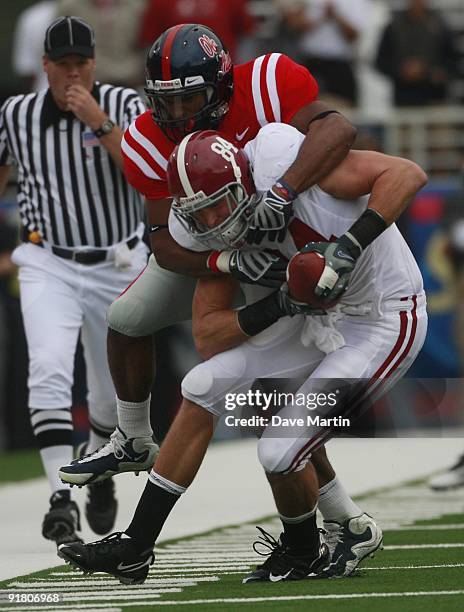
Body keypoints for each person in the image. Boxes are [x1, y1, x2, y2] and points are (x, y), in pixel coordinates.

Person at [58, 23, 370, 569]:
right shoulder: (145, 140)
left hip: (278, 245)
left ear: (223, 86)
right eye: (166, 103)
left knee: (264, 392)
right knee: (128, 315)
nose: (177, 116)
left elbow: (338, 130)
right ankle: (132, 435)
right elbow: (162, 241)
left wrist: (283, 190)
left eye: (191, 98)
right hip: (214, 248)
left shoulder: (269, 83)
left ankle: (340, 519)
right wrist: (222, 260)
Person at [58, 125, 427, 584]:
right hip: (314, 319)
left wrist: (350, 245)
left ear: (243, 183)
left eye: (216, 205)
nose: (213, 222)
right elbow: (208, 337)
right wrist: (275, 301)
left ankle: (303, 548)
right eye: (199, 214)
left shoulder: (289, 170)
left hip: (382, 317)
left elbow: (407, 174)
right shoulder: (215, 232)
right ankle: (135, 546)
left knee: (278, 451)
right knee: (202, 384)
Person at [0, 15, 149, 546]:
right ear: (44, 65)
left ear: (92, 63)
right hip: (48, 260)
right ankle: (59, 500)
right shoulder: (14, 115)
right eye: (61, 64)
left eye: (80, 63)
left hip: (117, 261)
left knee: (109, 400)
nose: (71, 74)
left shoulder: (126, 104)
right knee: (47, 369)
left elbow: (144, 172)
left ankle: (99, 471)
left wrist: (98, 122)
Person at [275, 0, 368, 106]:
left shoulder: (355, 2)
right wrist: (322, 17)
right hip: (310, 61)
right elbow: (294, 25)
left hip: (339, 63)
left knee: (345, 106)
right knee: (306, 106)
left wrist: (335, 15)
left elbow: (354, 35)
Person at [375, 0, 458, 107]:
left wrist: (435, 72)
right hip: (404, 98)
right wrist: (401, 70)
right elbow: (380, 61)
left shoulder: (440, 25)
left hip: (434, 96)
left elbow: (453, 61)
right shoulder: (394, 26)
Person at [57, 0, 147, 88]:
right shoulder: (69, 7)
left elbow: (149, 46)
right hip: (88, 82)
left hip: (132, 80)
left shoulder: (139, 5)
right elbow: (60, 49)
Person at [138, 0, 255, 61]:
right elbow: (151, 41)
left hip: (223, 69)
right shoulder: (160, 3)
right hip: (175, 74)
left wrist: (237, 70)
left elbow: (246, 35)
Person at [12, 1, 57, 92]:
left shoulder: (32, 17)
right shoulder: (32, 17)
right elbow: (26, 69)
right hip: (43, 92)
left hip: (41, 93)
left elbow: (26, 70)